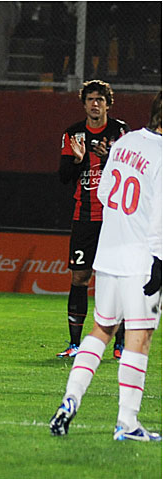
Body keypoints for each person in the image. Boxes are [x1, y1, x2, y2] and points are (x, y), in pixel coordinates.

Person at [49, 91, 162, 441]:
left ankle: (70, 400)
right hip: (141, 260)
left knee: (101, 332)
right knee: (139, 339)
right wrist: (159, 263)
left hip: (109, 254)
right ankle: (127, 423)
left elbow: (102, 193)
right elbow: (159, 215)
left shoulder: (125, 143)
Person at [57, 80, 129, 359]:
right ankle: (75, 344)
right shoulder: (73, 134)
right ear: (84, 103)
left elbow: (130, 171)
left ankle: (120, 344)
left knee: (118, 280)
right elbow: (63, 177)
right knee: (80, 277)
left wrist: (111, 157)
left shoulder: (120, 132)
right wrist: (77, 161)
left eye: (100, 99)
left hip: (115, 217)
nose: (95, 104)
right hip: (85, 216)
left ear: (108, 104)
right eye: (90, 99)